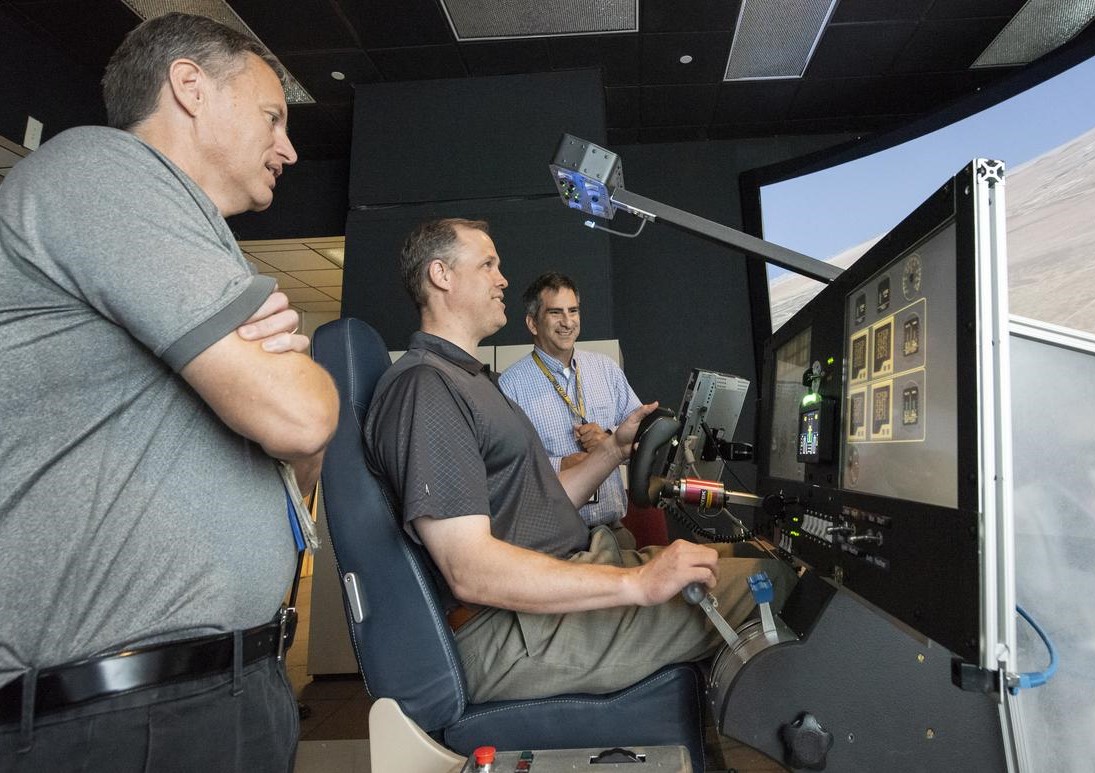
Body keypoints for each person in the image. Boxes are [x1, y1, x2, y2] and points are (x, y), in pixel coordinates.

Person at [0, 13, 338, 772]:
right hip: (121, 712)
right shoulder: (100, 168)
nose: (287, 147)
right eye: (272, 116)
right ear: (188, 87)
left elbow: (301, 455)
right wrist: (292, 383)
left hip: (213, 690)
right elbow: (302, 412)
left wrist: (291, 392)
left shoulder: (196, 236)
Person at [363, 217, 797, 703]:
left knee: (752, 559)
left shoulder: (470, 380)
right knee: (776, 579)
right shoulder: (427, 387)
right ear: (441, 275)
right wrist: (636, 582)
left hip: (562, 577)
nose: (502, 278)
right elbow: (468, 568)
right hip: (506, 631)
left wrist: (614, 448)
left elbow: (545, 503)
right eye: (488, 264)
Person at [499, 272, 641, 547]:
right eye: (555, 312)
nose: (567, 322)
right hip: (557, 541)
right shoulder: (510, 385)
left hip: (614, 532)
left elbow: (639, 440)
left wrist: (610, 441)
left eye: (573, 311)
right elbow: (508, 468)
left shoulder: (606, 369)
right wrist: (560, 465)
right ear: (532, 323)